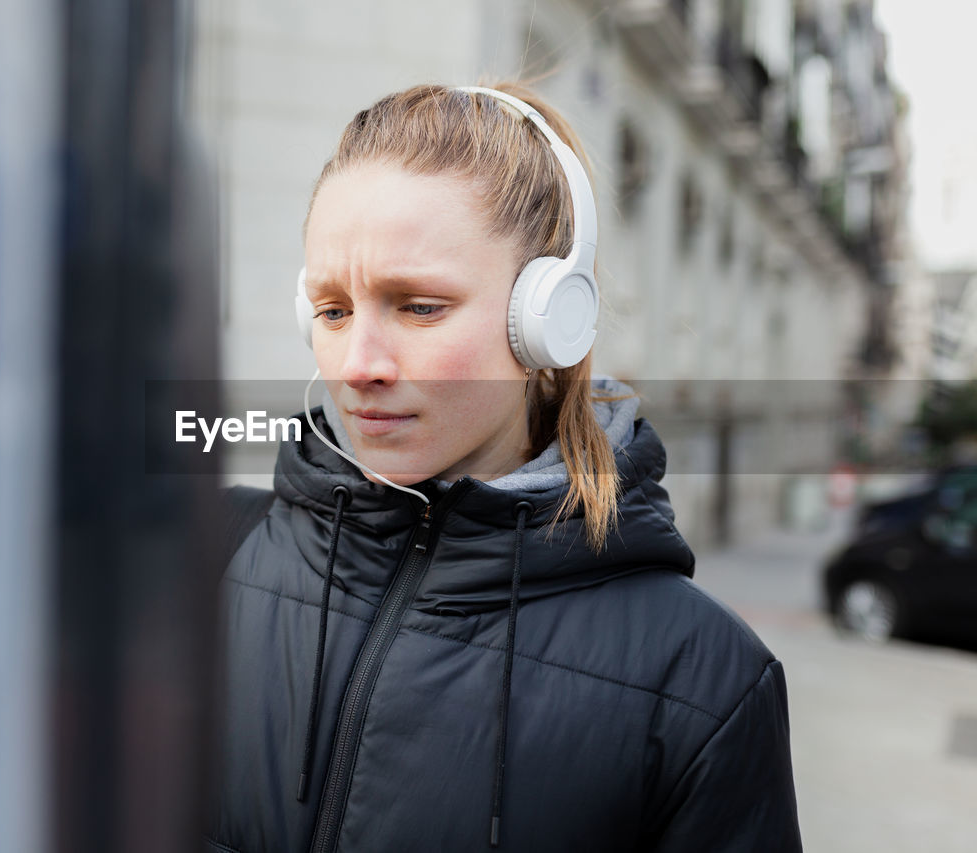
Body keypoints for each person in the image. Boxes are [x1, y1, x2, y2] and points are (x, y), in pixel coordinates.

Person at [208, 83, 801, 852]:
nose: (357, 364)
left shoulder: (703, 679)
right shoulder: (202, 554)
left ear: (548, 321)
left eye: (418, 306)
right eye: (332, 309)